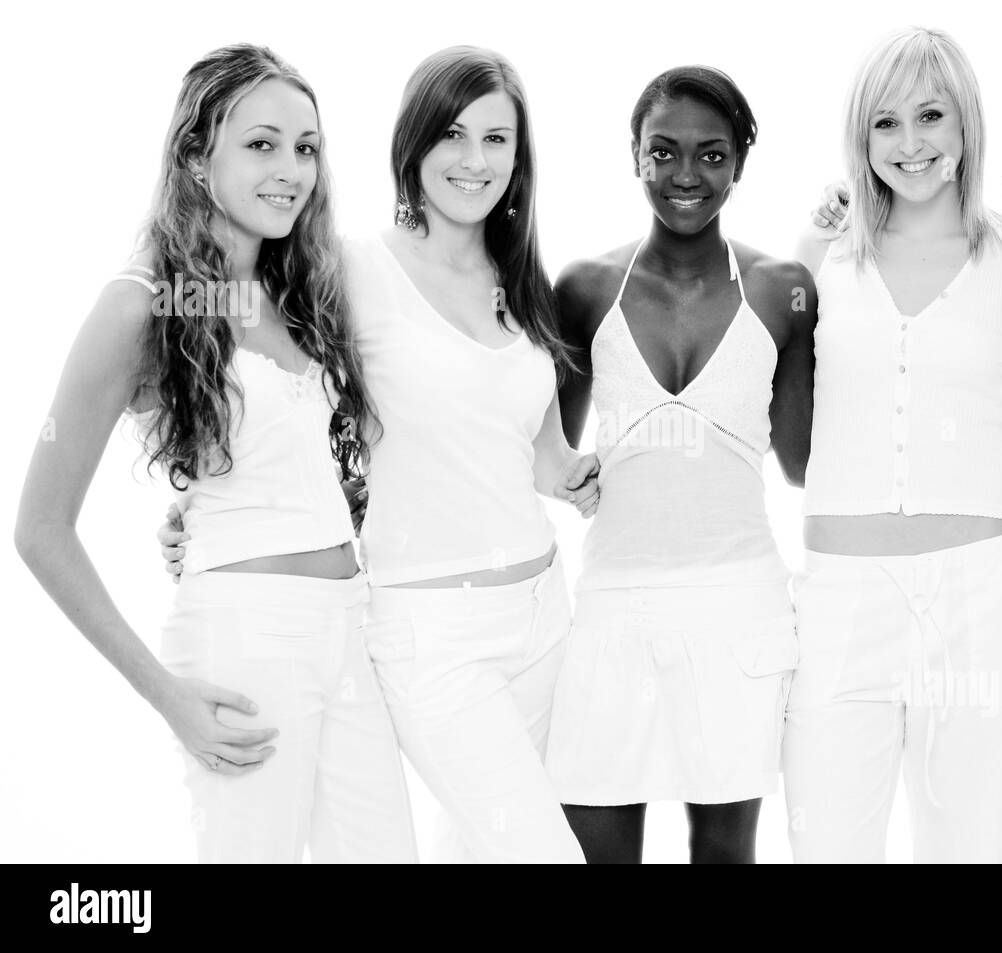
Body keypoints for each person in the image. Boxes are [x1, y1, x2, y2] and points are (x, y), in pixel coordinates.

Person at [161, 46, 597, 863]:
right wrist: (203, 500)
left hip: (543, 614)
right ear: (414, 145)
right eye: (453, 135)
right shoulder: (352, 268)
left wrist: (589, 476)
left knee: (480, 849)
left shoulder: (522, 281)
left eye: (497, 139)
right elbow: (266, 378)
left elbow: (542, 459)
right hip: (429, 632)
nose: (475, 161)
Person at [15, 44, 416, 863]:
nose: (292, 170)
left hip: (353, 630)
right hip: (246, 644)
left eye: (306, 147)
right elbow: (39, 529)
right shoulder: (139, 304)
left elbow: (305, 462)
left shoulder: (301, 288)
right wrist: (168, 697)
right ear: (198, 158)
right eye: (262, 143)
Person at [783, 27, 1002, 863]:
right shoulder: (819, 258)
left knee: (973, 845)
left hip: (982, 597)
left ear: (967, 124)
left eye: (931, 115)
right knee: (827, 841)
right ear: (860, 138)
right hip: (839, 598)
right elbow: (787, 432)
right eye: (886, 123)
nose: (911, 144)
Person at [545, 66, 815, 863]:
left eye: (711, 154)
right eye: (663, 152)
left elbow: (802, 465)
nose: (686, 176)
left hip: (738, 607)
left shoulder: (782, 290)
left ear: (740, 162)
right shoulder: (585, 287)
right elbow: (549, 455)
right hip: (612, 610)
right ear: (635, 156)